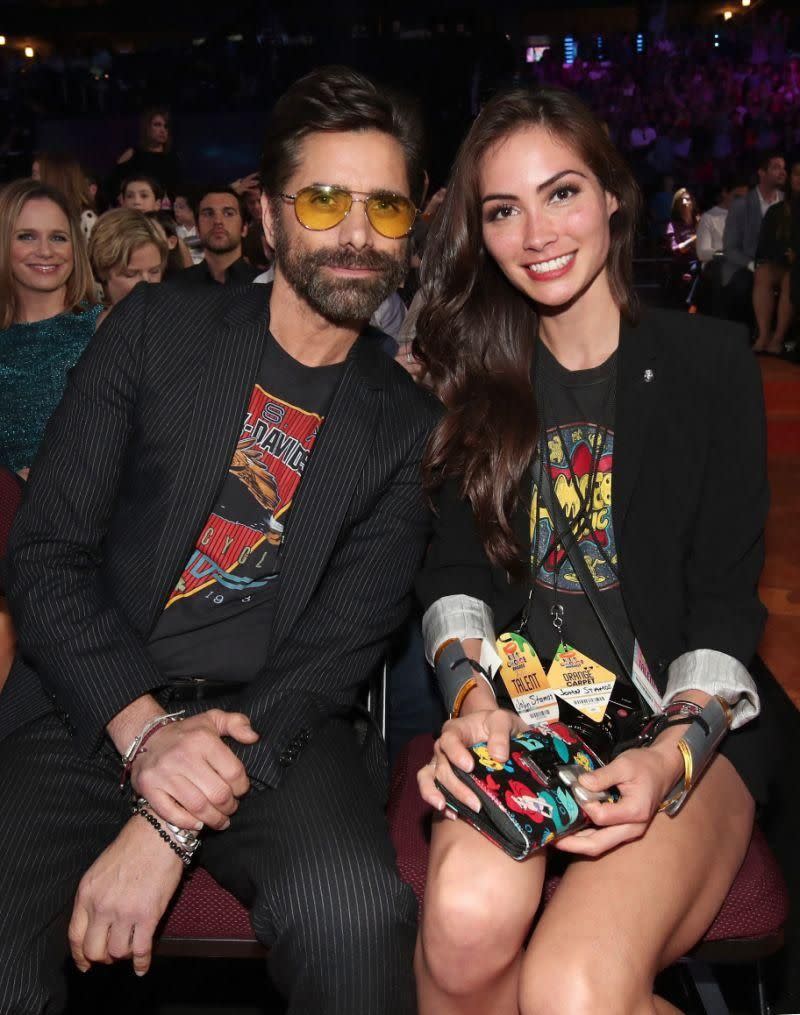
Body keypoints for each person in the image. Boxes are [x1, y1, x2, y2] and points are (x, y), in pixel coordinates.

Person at [0, 65, 435, 1015]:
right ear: (270, 220)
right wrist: (144, 731)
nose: (358, 235)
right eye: (324, 200)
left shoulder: (406, 428)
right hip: (94, 700)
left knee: (356, 913)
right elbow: (45, 555)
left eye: (386, 210)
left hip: (275, 723)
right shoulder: (156, 329)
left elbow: (332, 656)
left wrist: (166, 823)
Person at [413, 87, 766, 1015]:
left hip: (677, 721)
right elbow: (452, 574)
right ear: (479, 232)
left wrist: (671, 755)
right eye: (502, 210)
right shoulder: (479, 381)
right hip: (528, 718)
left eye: (561, 192)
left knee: (571, 990)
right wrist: (470, 692)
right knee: (461, 918)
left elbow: (730, 599)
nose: (536, 233)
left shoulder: (711, 365)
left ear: (612, 192)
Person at [0, 179, 101, 477]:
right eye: (27, 236)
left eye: (58, 237)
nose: (45, 251)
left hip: (89, 516)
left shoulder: (105, 330)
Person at [722, 151, 787, 323]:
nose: (782, 172)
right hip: (747, 266)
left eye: (783, 168)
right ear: (762, 173)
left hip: (781, 265)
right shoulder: (741, 205)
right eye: (776, 167)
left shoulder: (789, 203)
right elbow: (730, 248)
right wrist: (752, 265)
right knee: (743, 286)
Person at [752, 159, 800, 353]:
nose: (799, 178)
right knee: (762, 272)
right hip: (781, 262)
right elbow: (764, 244)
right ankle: (764, 335)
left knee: (792, 277)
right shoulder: (777, 210)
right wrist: (781, 253)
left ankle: (778, 339)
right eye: (796, 173)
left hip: (797, 266)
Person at [167, 186, 258, 286]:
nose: (218, 221)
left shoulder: (264, 285)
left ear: (244, 228)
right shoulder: (177, 285)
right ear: (197, 229)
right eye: (208, 214)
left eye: (228, 213)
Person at [88, 208, 168, 320]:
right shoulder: (81, 331)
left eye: (154, 271)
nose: (146, 283)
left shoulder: (178, 323)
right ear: (102, 273)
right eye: (131, 274)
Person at [107, 106, 181, 202]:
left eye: (166, 126)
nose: (163, 130)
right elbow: (113, 185)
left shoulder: (173, 157)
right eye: (157, 125)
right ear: (147, 128)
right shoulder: (133, 154)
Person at [32, 151, 98, 238]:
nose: (32, 180)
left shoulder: (87, 220)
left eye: (35, 174)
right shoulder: (37, 213)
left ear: (53, 178)